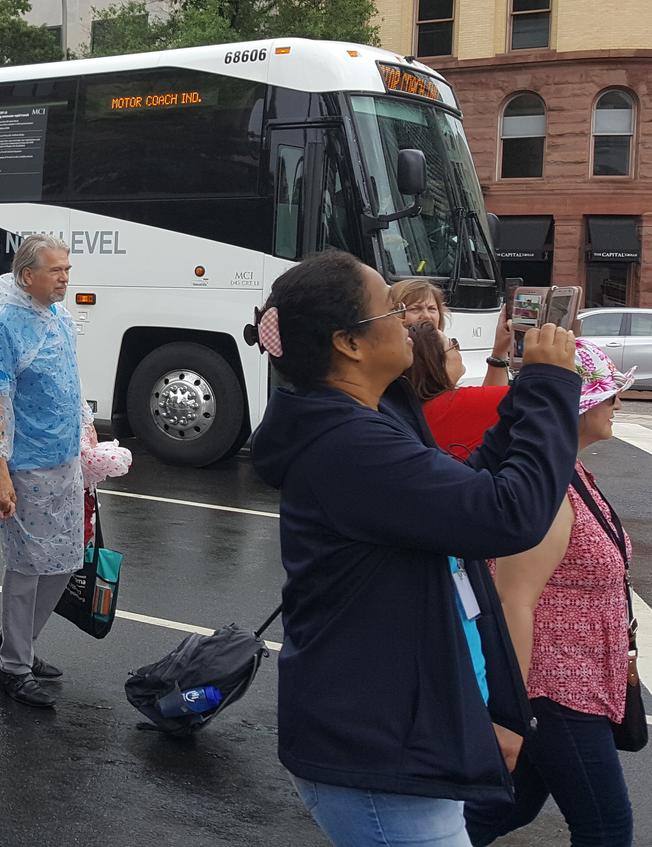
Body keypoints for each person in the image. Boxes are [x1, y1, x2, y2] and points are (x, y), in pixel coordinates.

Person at [248, 249, 583, 847]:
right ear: (348, 343)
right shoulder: (350, 443)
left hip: (395, 735)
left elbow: (464, 490)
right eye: (391, 311)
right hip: (379, 753)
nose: (410, 322)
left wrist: (518, 381)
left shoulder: (362, 421)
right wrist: (551, 385)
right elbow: (508, 514)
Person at [466, 342, 636, 847]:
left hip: (572, 682)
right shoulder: (552, 491)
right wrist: (510, 715)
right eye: (610, 396)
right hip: (552, 688)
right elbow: (512, 600)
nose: (618, 406)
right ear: (578, 406)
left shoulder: (569, 472)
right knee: (606, 827)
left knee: (499, 813)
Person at [0, 234, 85, 709]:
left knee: (65, 560)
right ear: (28, 276)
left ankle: (15, 641)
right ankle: (15, 667)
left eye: (66, 269)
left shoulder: (58, 317)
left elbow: (71, 378)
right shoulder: (2, 325)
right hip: (25, 463)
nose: (65, 278)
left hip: (64, 458)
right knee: (26, 567)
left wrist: (85, 430)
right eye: (56, 271)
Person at [406, 322, 510, 461]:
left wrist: (500, 351)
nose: (458, 351)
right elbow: (524, 395)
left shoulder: (410, 408)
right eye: (453, 344)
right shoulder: (451, 404)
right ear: (436, 362)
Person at [392, 278, 513, 387]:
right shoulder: (391, 364)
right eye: (415, 309)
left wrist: (500, 350)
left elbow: (488, 400)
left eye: (432, 309)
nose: (427, 316)